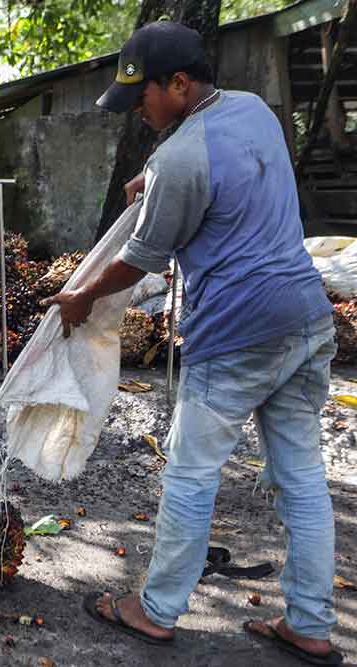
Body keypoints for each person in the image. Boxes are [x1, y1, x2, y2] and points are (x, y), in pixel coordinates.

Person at [43, 20, 343, 666]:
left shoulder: (179, 158)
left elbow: (136, 262)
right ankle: (313, 624)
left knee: (190, 471)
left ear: (179, 84)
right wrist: (156, 181)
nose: (139, 112)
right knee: (301, 475)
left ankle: (153, 611)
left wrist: (80, 297)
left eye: (144, 97)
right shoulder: (256, 113)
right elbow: (225, 177)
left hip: (237, 336)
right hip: (307, 322)